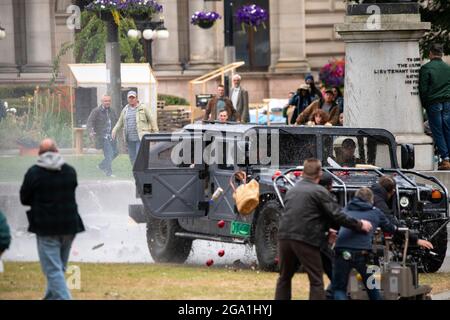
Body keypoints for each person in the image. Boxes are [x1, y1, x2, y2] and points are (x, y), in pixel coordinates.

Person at [274, 158, 372, 300]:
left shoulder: (292, 190)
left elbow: (302, 215)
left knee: (284, 278)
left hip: (284, 237)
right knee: (316, 280)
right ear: (319, 173)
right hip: (305, 238)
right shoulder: (319, 191)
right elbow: (337, 215)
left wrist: (325, 230)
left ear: (303, 173)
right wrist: (360, 224)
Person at [19, 139, 85, 300]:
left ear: (39, 153)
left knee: (53, 270)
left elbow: (24, 199)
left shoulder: (34, 173)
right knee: (59, 268)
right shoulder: (69, 171)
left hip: (46, 227)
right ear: (57, 151)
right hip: (70, 227)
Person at [332, 187, 398, 300]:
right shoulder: (376, 212)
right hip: (362, 252)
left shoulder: (345, 209)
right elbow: (390, 228)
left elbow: (336, 224)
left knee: (339, 288)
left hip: (342, 250)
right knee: (371, 286)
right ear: (371, 200)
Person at [371, 176, 433, 249]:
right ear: (393, 191)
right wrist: (415, 240)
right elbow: (389, 222)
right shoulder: (378, 201)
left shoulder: (369, 194)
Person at [419, 43, 450, 170]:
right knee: (447, 129)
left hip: (434, 102)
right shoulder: (447, 68)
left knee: (437, 131)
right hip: (447, 102)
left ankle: (446, 159)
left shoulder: (426, 68)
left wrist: (425, 104)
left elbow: (423, 89)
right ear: (441, 54)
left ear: (431, 53)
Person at [112, 91, 158, 165]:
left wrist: (156, 133)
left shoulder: (143, 108)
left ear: (136, 98)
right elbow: (119, 122)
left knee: (138, 156)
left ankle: (141, 173)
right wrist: (114, 130)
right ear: (127, 99)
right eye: (130, 98)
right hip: (129, 139)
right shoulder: (125, 110)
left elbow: (152, 120)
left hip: (141, 138)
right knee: (132, 157)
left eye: (133, 98)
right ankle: (135, 173)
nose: (131, 99)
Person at [86, 94, 118, 176]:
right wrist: (91, 131)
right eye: (105, 101)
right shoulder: (96, 111)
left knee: (115, 153)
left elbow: (117, 122)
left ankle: (101, 166)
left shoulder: (112, 111)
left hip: (111, 137)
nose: (107, 102)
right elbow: (90, 122)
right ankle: (108, 172)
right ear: (102, 102)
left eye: (109, 101)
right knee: (109, 153)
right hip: (102, 137)